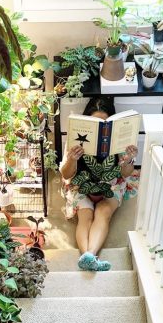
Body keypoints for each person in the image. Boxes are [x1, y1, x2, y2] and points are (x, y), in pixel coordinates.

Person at [59, 96, 139, 271]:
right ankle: (89, 257)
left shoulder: (118, 141)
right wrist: (72, 159)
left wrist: (129, 159)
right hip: (83, 183)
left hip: (110, 183)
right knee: (85, 215)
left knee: (103, 213)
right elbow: (66, 174)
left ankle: (89, 255)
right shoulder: (75, 140)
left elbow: (125, 174)